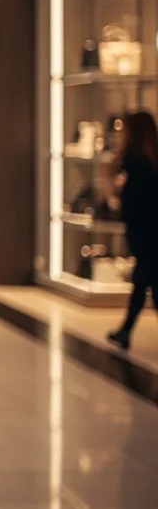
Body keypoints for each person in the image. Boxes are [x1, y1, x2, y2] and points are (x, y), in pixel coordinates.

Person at [108, 111, 158, 351]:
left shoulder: (135, 161)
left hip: (144, 233)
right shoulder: (150, 159)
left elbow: (135, 200)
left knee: (146, 280)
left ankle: (125, 331)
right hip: (150, 232)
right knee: (143, 281)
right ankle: (125, 331)